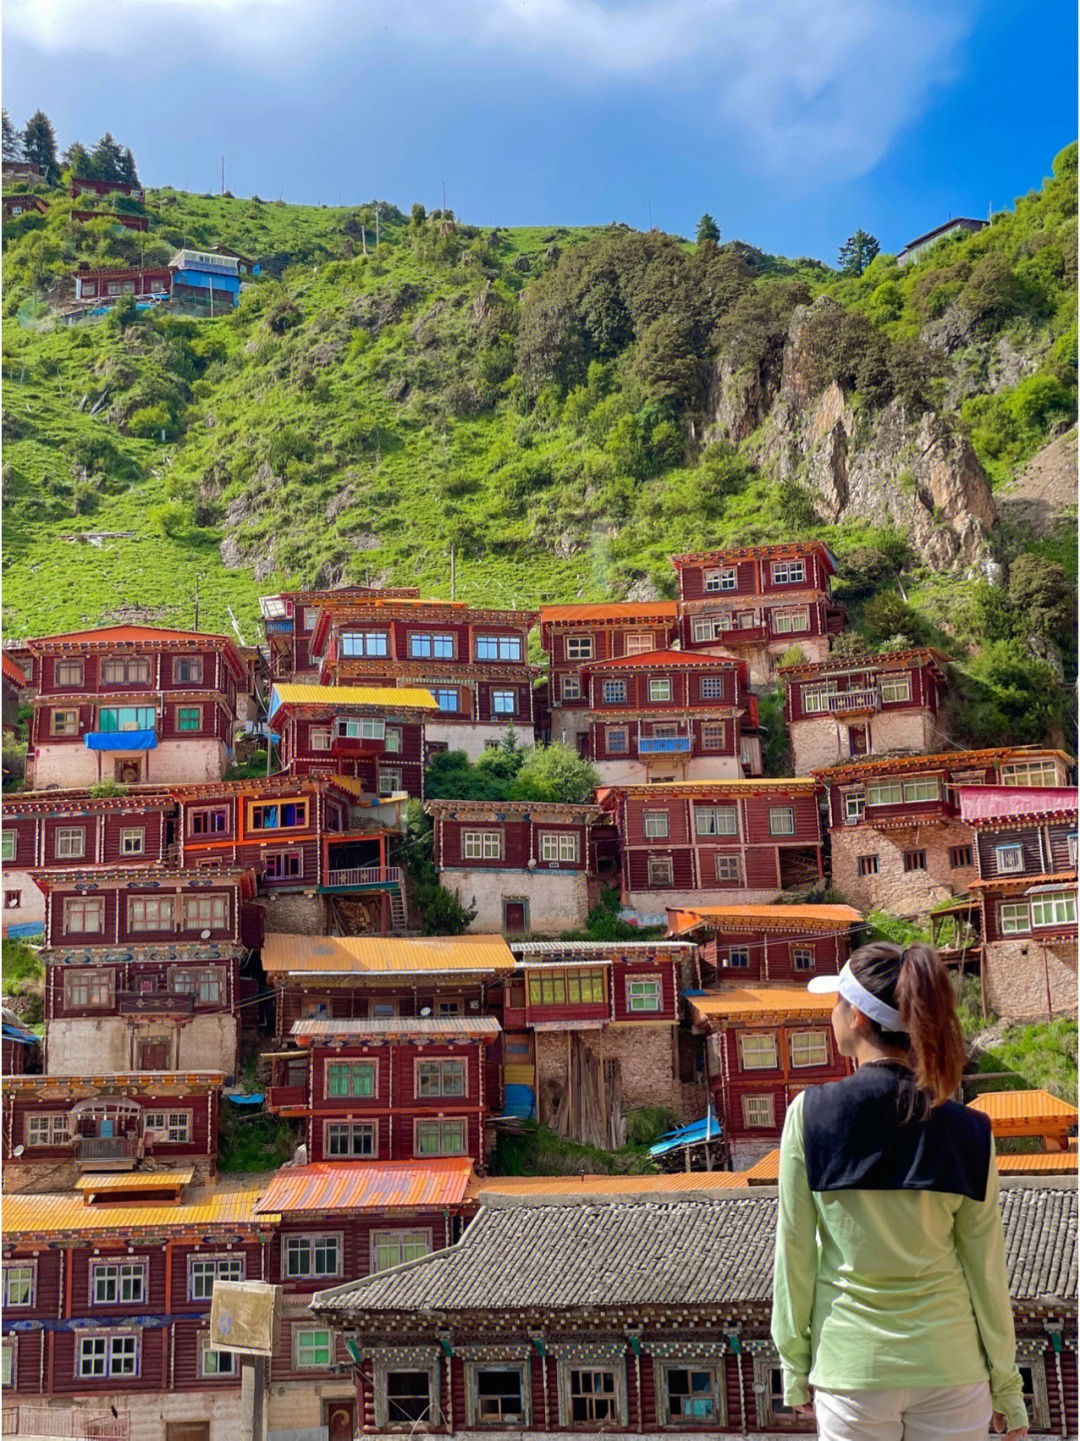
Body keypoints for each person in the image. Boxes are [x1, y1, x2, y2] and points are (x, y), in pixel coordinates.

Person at [771, 940, 1029, 1441]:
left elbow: (795, 1254)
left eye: (838, 1003)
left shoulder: (809, 1116)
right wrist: (1006, 1389)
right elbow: (986, 1269)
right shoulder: (970, 1129)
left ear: (859, 1020)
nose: (833, 1014)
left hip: (853, 1368)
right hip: (951, 1365)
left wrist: (795, 1367)